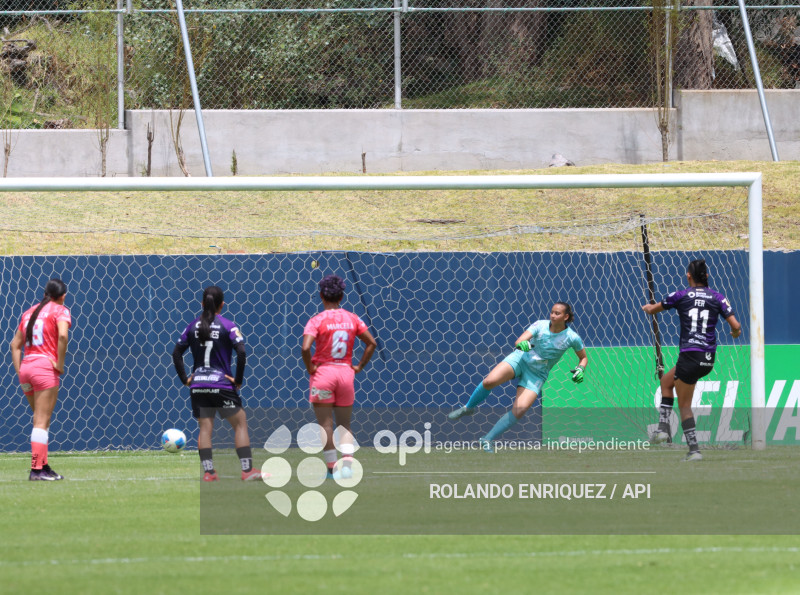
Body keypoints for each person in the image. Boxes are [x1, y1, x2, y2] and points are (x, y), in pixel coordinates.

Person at [449, 302, 588, 453]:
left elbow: (583, 358)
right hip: (520, 359)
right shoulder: (540, 325)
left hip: (537, 374)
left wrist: (580, 369)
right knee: (490, 381)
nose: (553, 316)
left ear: (566, 317)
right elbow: (519, 341)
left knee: (520, 410)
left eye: (557, 313)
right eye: (552, 312)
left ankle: (487, 439)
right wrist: (523, 345)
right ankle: (468, 407)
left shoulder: (572, 337)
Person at [642, 259, 741, 461]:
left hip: (689, 355)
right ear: (707, 277)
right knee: (666, 382)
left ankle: (694, 450)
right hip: (707, 358)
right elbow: (736, 325)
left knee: (685, 406)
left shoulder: (681, 295)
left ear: (689, 276)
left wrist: (647, 307)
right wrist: (735, 332)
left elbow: (654, 309)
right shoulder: (718, 297)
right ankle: (662, 429)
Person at [172, 286, 262, 482]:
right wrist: (238, 380)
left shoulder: (192, 326)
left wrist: (185, 379)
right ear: (222, 305)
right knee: (240, 423)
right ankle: (247, 471)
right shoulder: (228, 325)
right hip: (221, 384)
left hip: (199, 386)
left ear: (202, 303)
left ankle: (209, 473)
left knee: (205, 428)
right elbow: (242, 352)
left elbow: (176, 353)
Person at [302, 275, 377, 479]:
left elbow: (306, 347)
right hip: (345, 374)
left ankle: (331, 467)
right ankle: (347, 466)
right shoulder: (352, 318)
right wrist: (359, 366)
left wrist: (310, 367)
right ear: (342, 296)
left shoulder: (316, 320)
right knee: (345, 424)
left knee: (326, 425)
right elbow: (371, 343)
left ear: (321, 296)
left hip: (323, 374)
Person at [10, 278, 71, 481]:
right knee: (42, 421)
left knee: (39, 420)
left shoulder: (29, 312)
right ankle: (36, 470)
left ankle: (43, 466)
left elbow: (14, 345)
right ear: (62, 295)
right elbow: (63, 336)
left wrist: (21, 373)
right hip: (44, 368)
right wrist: (59, 364)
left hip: (27, 368)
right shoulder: (60, 310)